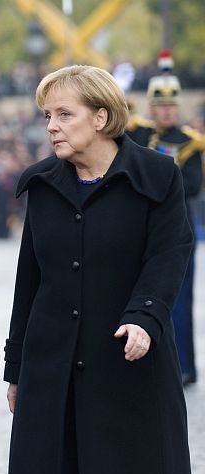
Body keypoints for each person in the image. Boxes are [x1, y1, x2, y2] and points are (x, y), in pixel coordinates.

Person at [4, 65, 194, 474]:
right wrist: (17, 369)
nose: (51, 125)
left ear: (101, 118)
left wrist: (144, 318)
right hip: (52, 373)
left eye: (64, 114)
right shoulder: (42, 184)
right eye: (47, 115)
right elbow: (28, 281)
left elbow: (169, 255)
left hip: (131, 367)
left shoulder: (158, 177)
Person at [126, 51, 204, 387]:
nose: (166, 111)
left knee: (180, 298)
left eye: (171, 106)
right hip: (140, 225)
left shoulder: (190, 141)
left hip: (177, 226)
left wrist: (160, 179)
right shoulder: (137, 134)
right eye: (161, 106)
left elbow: (193, 184)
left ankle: (184, 366)